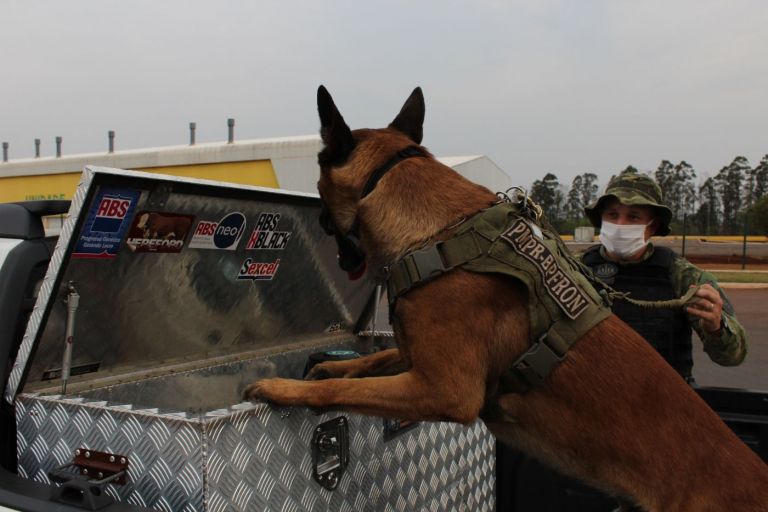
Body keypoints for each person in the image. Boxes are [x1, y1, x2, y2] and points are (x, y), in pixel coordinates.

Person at [581, 170, 747, 383]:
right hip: (591, 393)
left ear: (653, 226)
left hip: (661, 396)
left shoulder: (683, 276)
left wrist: (716, 328)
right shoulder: (576, 269)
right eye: (613, 215)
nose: (620, 225)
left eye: (633, 217)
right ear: (601, 218)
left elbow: (733, 357)